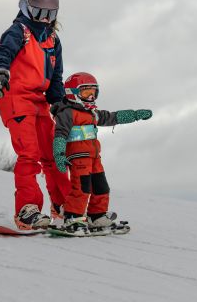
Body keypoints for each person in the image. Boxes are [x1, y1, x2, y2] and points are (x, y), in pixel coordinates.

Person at [0, 0, 70, 230]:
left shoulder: (53, 39)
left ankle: (64, 204)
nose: (44, 19)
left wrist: (59, 104)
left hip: (39, 100)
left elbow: (56, 77)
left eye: (50, 15)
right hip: (15, 96)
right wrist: (0, 72)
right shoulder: (18, 31)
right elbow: (1, 53)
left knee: (54, 153)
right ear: (28, 9)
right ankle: (28, 209)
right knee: (30, 154)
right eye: (39, 12)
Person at [51, 72, 152, 235]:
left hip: (94, 157)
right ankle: (73, 217)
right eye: (85, 92)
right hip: (78, 157)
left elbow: (112, 117)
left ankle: (96, 216)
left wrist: (134, 115)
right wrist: (59, 154)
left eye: (93, 92)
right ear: (73, 93)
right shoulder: (67, 113)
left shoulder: (93, 113)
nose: (91, 96)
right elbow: (60, 133)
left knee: (101, 187)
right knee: (82, 188)